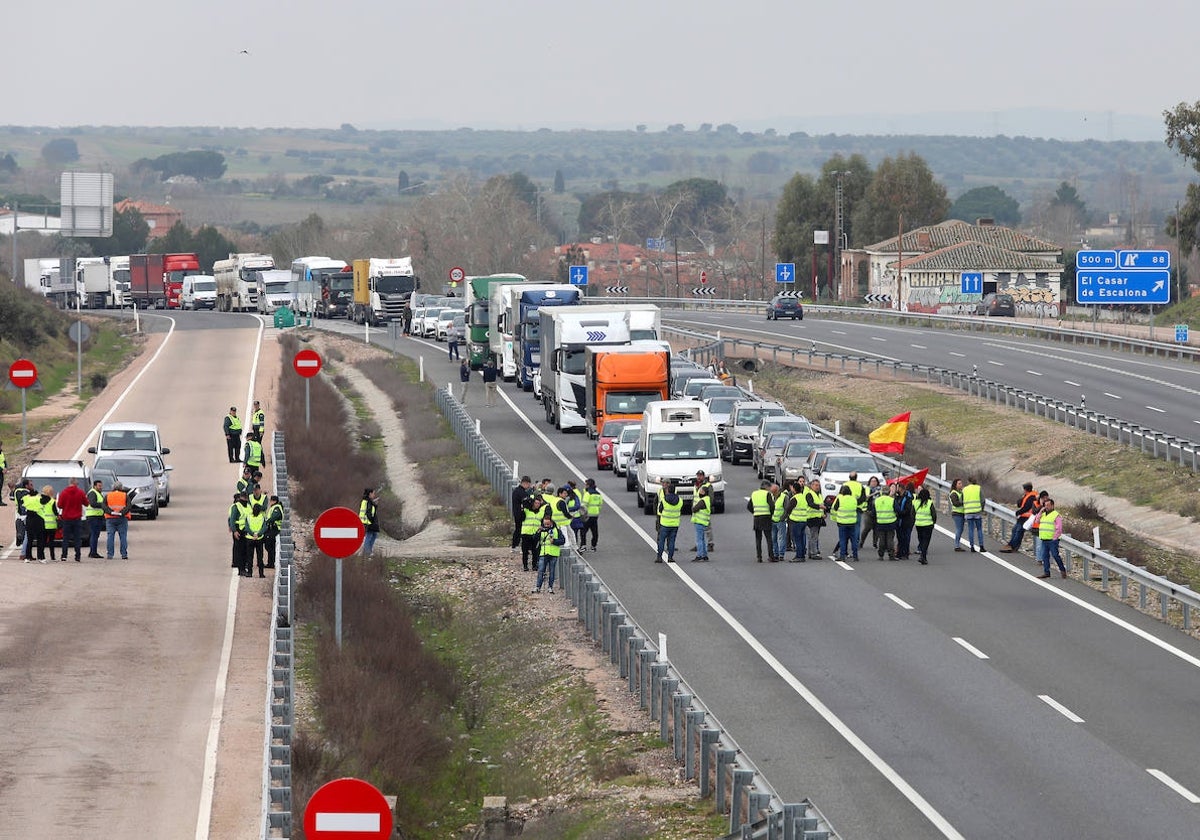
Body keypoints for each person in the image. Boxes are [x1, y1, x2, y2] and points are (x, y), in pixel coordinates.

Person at [1032, 498, 1067, 579]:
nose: (1046, 507)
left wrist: (1055, 537)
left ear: (1052, 505)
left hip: (1052, 540)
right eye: (1045, 505)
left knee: (1055, 555)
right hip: (1044, 539)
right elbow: (1037, 521)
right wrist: (1040, 511)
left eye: (1048, 505)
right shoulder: (1043, 514)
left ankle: (1062, 570)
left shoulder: (1056, 515)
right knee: (1045, 556)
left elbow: (1059, 528)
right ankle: (1046, 572)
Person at [1001, 482, 1040, 553]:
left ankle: (1012, 546)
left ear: (1025, 489)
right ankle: (1013, 546)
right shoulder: (1028, 495)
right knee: (1015, 530)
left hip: (1027, 517)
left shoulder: (1031, 497)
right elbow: (1020, 504)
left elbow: (1026, 507)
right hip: (1024, 517)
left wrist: (1018, 512)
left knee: (1018, 531)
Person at [56, 477, 87, 562]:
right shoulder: (80, 492)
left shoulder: (64, 492)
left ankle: (64, 555)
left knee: (65, 538)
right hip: (77, 518)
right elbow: (86, 503)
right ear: (75, 483)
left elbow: (59, 505)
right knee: (77, 538)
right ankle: (77, 556)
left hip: (66, 518)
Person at [533, 514, 566, 593]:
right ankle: (538, 587)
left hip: (553, 554)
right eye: (545, 524)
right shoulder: (541, 530)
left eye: (548, 524)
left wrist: (554, 541)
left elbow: (563, 540)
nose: (546, 526)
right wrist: (538, 532)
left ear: (551, 523)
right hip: (543, 553)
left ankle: (550, 587)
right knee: (541, 570)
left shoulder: (556, 530)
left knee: (552, 571)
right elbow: (534, 539)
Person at [26, 484, 57, 563]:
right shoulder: (51, 500)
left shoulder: (36, 498)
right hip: (45, 522)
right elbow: (55, 512)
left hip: (33, 520)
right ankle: (43, 557)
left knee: (31, 540)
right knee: (44, 541)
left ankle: (28, 557)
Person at [103, 481, 133, 560]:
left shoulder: (108, 495)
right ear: (121, 488)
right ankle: (124, 554)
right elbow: (129, 506)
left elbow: (104, 506)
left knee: (110, 536)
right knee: (123, 536)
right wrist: (121, 513)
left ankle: (110, 555)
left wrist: (111, 512)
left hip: (110, 518)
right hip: (122, 518)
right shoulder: (125, 495)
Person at [747, 480, 774, 563]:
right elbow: (772, 506)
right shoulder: (767, 494)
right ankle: (771, 556)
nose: (770, 489)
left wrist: (755, 512)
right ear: (766, 487)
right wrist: (771, 514)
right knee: (769, 538)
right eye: (769, 487)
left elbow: (749, 506)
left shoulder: (754, 493)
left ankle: (759, 557)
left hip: (757, 518)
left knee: (758, 538)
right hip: (766, 517)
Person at [830, 484, 859, 562]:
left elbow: (835, 508)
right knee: (853, 540)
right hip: (852, 522)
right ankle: (855, 556)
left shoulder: (840, 499)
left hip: (842, 522)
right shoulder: (854, 499)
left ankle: (842, 556)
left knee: (843, 539)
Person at [655, 480, 682, 563]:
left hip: (665, 523)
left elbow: (660, 510)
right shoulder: (680, 500)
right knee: (672, 541)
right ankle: (670, 557)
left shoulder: (664, 500)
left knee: (661, 540)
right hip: (675, 524)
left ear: (668, 490)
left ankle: (659, 557)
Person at [784, 479, 811, 562]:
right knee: (801, 539)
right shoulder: (803, 497)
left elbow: (788, 509)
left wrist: (785, 517)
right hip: (803, 520)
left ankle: (799, 556)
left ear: (794, 490)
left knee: (797, 539)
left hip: (796, 521)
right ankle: (802, 555)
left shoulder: (794, 498)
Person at [520, 494, 546, 572]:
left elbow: (543, 522)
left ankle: (534, 566)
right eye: (536, 503)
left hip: (535, 534)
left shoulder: (541, 512)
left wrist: (541, 528)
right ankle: (525, 566)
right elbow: (521, 515)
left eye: (539, 503)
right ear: (533, 503)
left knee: (535, 551)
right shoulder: (526, 510)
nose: (537, 505)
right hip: (526, 533)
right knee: (525, 551)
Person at [872, 483, 899, 560]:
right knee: (890, 539)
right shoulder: (892, 500)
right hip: (891, 522)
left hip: (880, 522)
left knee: (881, 539)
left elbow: (873, 512)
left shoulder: (877, 501)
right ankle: (891, 555)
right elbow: (898, 510)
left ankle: (881, 555)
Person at [913, 487, 937, 564]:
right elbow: (934, 514)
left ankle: (923, 556)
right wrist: (934, 522)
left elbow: (912, 513)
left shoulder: (916, 502)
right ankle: (923, 556)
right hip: (928, 524)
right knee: (926, 541)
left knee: (921, 539)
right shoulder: (929, 503)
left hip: (918, 524)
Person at [692, 470, 714, 553]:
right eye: (698, 475)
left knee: (707, 528)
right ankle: (699, 544)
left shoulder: (707, 485)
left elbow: (711, 498)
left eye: (700, 475)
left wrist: (707, 507)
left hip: (704, 510)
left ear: (703, 476)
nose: (699, 477)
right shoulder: (696, 485)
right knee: (698, 529)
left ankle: (710, 544)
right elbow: (694, 497)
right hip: (697, 510)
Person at [804, 478, 826, 560]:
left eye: (819, 485)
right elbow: (810, 504)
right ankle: (813, 553)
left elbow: (822, 505)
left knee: (814, 536)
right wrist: (819, 506)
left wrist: (824, 513)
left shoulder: (819, 495)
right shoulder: (809, 494)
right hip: (811, 518)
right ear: (811, 486)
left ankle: (811, 552)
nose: (817, 487)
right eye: (816, 485)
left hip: (818, 518)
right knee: (813, 537)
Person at [510, 476, 533, 554]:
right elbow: (527, 503)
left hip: (516, 513)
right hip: (520, 514)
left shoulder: (516, 491)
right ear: (525, 483)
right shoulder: (522, 493)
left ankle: (515, 546)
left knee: (518, 529)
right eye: (528, 484)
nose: (529, 486)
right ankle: (517, 546)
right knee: (520, 530)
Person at [859, 476, 883, 549]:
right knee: (867, 527)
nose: (873, 483)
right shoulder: (867, 489)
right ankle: (861, 542)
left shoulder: (880, 489)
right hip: (868, 511)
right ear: (869, 482)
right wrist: (874, 493)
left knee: (876, 528)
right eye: (872, 481)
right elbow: (865, 497)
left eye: (875, 481)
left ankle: (875, 543)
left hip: (877, 511)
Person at [13, 478, 34, 559]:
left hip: (19, 516)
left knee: (25, 535)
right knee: (27, 536)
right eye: (31, 485)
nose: (32, 486)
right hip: (26, 516)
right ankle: (24, 553)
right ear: (26, 485)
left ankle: (25, 553)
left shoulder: (16, 491)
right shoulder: (27, 493)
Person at [894, 480, 916, 560]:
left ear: (901, 488)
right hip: (898, 520)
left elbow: (907, 509)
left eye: (897, 488)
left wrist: (900, 512)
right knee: (899, 537)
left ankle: (905, 553)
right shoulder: (897, 497)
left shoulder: (908, 498)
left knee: (905, 537)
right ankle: (899, 553)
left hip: (906, 520)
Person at [245, 503, 268, 577]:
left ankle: (249, 573)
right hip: (259, 539)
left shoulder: (248, 517)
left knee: (249, 557)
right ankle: (261, 574)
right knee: (260, 557)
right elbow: (264, 527)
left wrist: (252, 534)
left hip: (250, 539)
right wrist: (258, 534)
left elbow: (247, 527)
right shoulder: (262, 517)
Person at [962, 476, 985, 552]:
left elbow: (961, 500)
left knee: (970, 529)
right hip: (977, 511)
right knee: (979, 529)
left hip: (968, 512)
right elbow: (982, 500)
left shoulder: (965, 489)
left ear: (968, 481)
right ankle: (981, 546)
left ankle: (972, 547)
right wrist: (981, 509)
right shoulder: (978, 488)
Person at [85, 478, 106, 558]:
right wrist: (103, 505)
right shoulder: (92, 493)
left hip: (97, 517)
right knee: (94, 535)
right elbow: (93, 503)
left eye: (101, 486)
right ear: (94, 486)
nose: (101, 487)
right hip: (93, 517)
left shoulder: (98, 493)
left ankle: (92, 552)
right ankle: (93, 552)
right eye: (99, 486)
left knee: (95, 535)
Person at [690, 484, 711, 562]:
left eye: (702, 491)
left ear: (705, 492)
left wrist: (693, 508)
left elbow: (694, 509)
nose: (700, 492)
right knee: (702, 539)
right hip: (704, 522)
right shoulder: (707, 499)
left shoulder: (702, 501)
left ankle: (699, 555)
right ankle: (705, 555)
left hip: (699, 521)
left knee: (699, 539)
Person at [580, 477, 603, 551]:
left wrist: (583, 514)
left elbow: (584, 505)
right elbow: (600, 505)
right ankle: (593, 546)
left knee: (583, 531)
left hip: (587, 515)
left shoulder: (588, 494)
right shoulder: (598, 494)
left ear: (588, 485)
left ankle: (583, 545)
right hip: (595, 515)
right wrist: (597, 512)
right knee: (595, 532)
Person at [769, 482, 788, 562]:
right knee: (773, 538)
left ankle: (781, 554)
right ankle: (775, 554)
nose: (772, 493)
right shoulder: (771, 497)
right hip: (772, 520)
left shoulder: (784, 497)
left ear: (777, 490)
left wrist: (782, 518)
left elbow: (786, 509)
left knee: (781, 538)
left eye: (773, 492)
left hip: (780, 521)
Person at [264, 495, 283, 570]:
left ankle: (271, 563)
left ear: (274, 501)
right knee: (269, 546)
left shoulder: (277, 508)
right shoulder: (274, 507)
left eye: (271, 501)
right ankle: (270, 562)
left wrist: (267, 521)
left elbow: (274, 517)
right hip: (271, 529)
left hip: (274, 529)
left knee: (269, 546)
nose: (270, 502)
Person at [359, 488, 380, 557]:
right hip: (369, 522)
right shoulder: (368, 501)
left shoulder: (366, 501)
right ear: (370, 494)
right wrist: (371, 520)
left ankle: (368, 550)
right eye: (373, 493)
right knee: (370, 536)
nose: (374, 495)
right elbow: (369, 512)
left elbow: (371, 509)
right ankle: (367, 552)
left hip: (367, 521)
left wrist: (375, 504)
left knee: (374, 535)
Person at [949, 478, 967, 551]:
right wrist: (964, 502)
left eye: (961, 483)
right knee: (959, 529)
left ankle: (957, 544)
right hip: (957, 513)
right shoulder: (953, 493)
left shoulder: (960, 492)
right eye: (959, 483)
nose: (961, 485)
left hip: (962, 513)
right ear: (955, 485)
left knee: (961, 529)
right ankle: (957, 545)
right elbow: (955, 503)